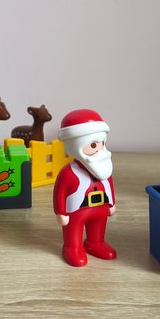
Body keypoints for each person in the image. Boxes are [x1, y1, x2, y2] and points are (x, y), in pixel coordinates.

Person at [53, 109, 116, 267]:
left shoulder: (103, 168)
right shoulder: (68, 173)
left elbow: (109, 185)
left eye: (102, 143)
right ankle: (72, 247)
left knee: (98, 227)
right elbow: (60, 193)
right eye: (93, 145)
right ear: (75, 147)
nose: (100, 149)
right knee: (73, 229)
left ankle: (95, 243)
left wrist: (112, 203)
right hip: (76, 211)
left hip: (100, 208)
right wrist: (61, 212)